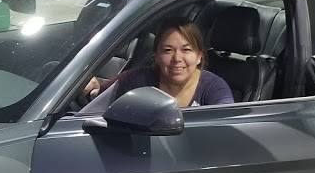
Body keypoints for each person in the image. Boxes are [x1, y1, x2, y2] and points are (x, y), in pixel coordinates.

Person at [84, 21, 233, 108]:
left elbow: (226, 125)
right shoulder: (137, 80)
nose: (177, 58)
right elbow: (101, 95)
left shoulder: (214, 89)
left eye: (186, 50)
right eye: (168, 50)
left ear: (199, 56)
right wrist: (91, 86)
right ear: (156, 56)